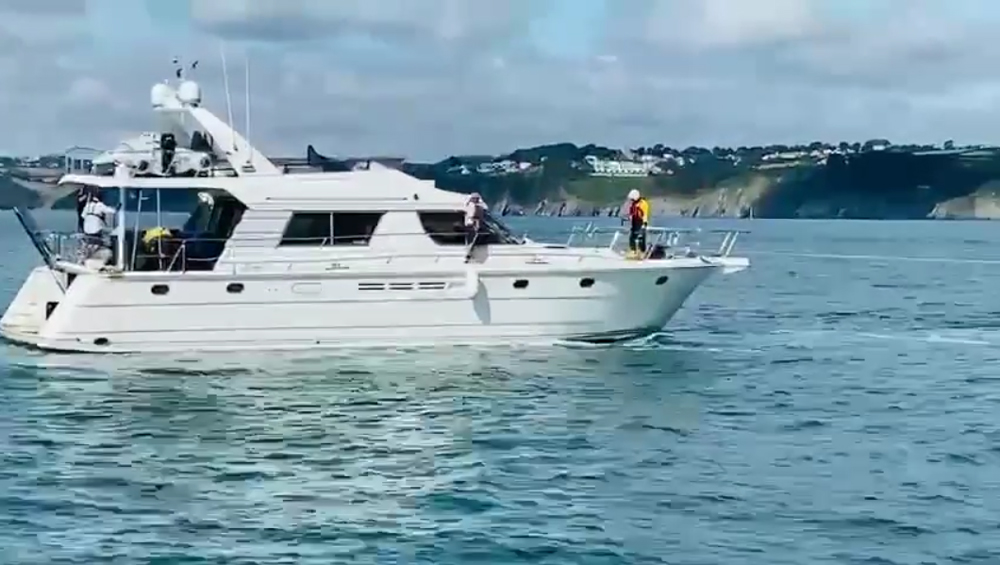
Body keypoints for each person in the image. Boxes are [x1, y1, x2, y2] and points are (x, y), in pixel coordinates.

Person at [79, 190, 117, 264]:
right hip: (96, 228)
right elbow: (111, 211)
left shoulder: (88, 205)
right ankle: (100, 255)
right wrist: (116, 208)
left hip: (87, 229)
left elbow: (82, 215)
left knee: (89, 243)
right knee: (102, 239)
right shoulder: (100, 205)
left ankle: (85, 257)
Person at [625, 188, 650, 257]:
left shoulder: (643, 203)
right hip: (634, 222)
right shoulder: (633, 204)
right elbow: (631, 213)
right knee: (632, 237)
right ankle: (633, 251)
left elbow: (645, 214)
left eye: (632, 199)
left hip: (641, 222)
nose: (631, 200)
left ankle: (642, 252)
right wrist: (629, 218)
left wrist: (644, 224)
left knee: (641, 237)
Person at [464, 193, 486, 262]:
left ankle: (468, 253)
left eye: (476, 198)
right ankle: (468, 254)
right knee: (471, 239)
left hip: (471, 224)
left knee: (471, 239)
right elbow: (473, 216)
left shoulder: (473, 206)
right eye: (475, 198)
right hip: (471, 224)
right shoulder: (473, 206)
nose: (476, 200)